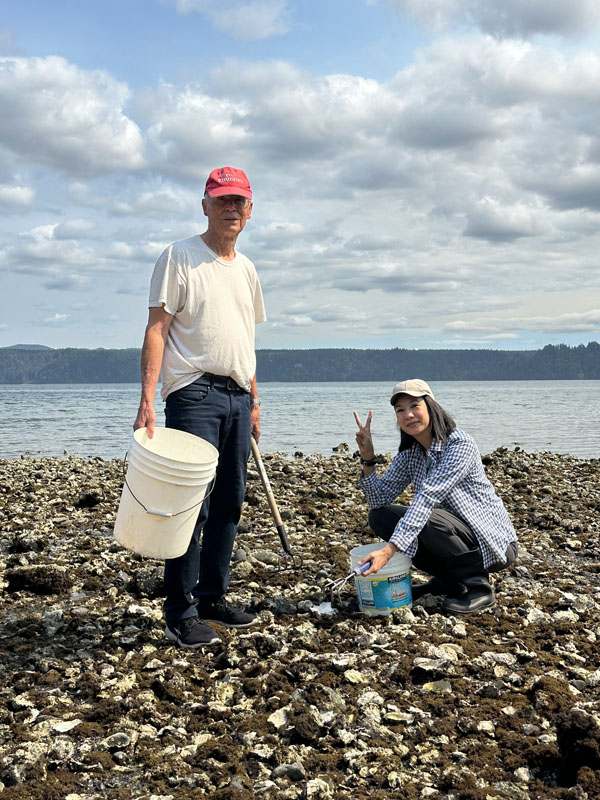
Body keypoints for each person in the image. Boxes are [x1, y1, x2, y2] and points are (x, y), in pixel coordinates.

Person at [134, 166, 266, 647]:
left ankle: (212, 597)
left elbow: (244, 339)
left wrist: (254, 401)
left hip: (236, 395)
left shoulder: (247, 269)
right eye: (222, 200)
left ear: (250, 210)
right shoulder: (179, 256)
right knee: (193, 505)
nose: (231, 208)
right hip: (193, 393)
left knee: (230, 501)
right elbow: (157, 328)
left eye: (240, 201)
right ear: (206, 205)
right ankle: (180, 611)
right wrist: (148, 398)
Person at [353, 379, 518, 614]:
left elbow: (428, 497)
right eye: (400, 410)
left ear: (431, 407)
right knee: (380, 517)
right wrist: (368, 459)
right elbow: (379, 500)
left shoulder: (459, 444)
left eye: (414, 406)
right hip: (448, 531)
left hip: (492, 544)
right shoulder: (412, 453)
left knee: (427, 515)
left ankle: (478, 587)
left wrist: (388, 551)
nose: (408, 414)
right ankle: (448, 579)